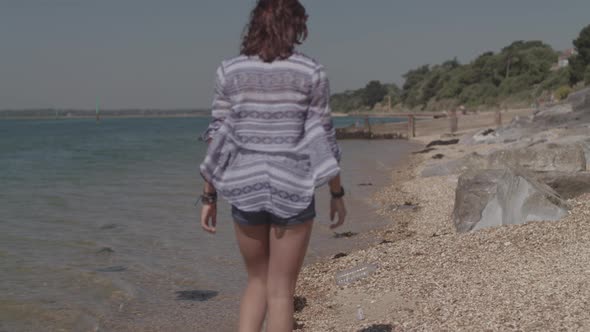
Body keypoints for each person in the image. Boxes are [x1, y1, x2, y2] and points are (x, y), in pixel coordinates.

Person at [198, 1, 347, 331]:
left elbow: (218, 137)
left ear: (255, 24)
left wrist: (209, 196)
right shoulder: (311, 72)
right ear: (296, 26)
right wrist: (337, 193)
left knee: (256, 283)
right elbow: (322, 139)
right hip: (292, 188)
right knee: (281, 292)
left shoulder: (229, 71)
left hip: (245, 187)